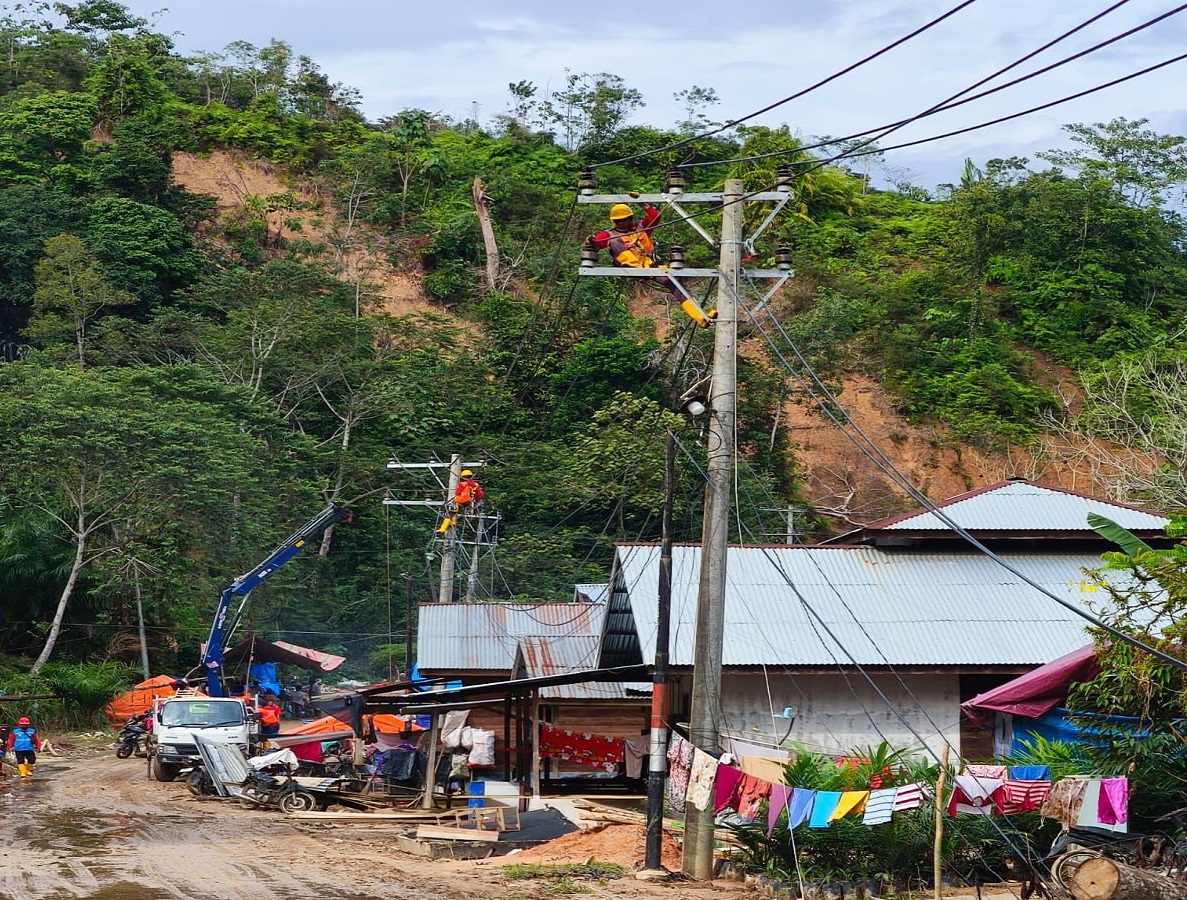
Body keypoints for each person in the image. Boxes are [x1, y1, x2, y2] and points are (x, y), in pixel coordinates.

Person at [588, 203, 715, 327]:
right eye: (618, 221)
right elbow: (598, 241)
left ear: (630, 219)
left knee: (675, 284)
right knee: (614, 241)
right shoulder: (609, 234)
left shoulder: (640, 227)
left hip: (649, 265)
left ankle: (700, 317)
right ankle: (633, 266)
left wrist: (644, 205)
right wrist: (592, 241)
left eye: (624, 220)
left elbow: (655, 217)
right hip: (628, 266)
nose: (621, 223)